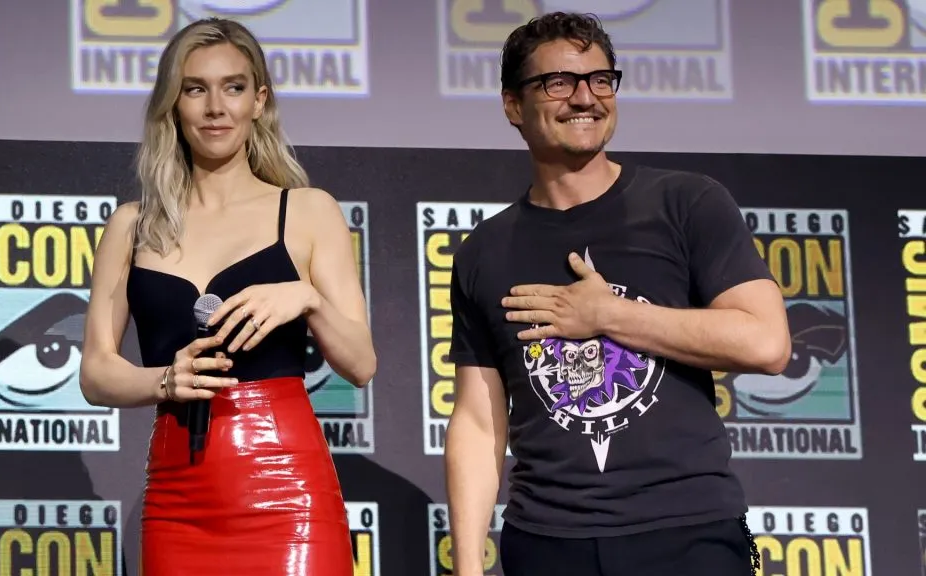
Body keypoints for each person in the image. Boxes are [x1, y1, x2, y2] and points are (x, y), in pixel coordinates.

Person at [443, 12, 790, 576]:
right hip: (546, 541)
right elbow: (479, 423)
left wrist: (609, 315)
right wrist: (466, 564)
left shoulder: (687, 203)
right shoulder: (484, 251)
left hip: (686, 532)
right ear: (512, 105)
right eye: (558, 82)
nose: (585, 98)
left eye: (600, 80)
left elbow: (766, 343)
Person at [78, 17, 375, 575]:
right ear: (174, 104)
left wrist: (307, 298)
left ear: (259, 101)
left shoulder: (307, 210)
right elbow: (96, 372)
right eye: (196, 89)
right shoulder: (132, 225)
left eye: (233, 88)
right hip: (177, 498)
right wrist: (164, 381)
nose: (216, 108)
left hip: (288, 491)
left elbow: (361, 364)